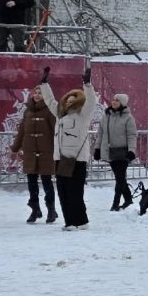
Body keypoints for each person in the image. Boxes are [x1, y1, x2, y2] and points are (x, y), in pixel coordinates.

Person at [40, 68, 101, 230]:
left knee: (75, 193)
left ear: (78, 102)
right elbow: (50, 101)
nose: (69, 102)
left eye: (73, 100)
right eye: (67, 100)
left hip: (77, 160)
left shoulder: (83, 116)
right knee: (63, 192)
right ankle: (73, 222)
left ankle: (78, 222)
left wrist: (87, 85)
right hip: (61, 160)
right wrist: (44, 84)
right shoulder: (60, 114)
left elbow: (91, 102)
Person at [18, 79, 58, 224]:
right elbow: (22, 130)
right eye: (35, 92)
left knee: (47, 182)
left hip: (46, 152)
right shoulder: (28, 110)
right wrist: (17, 146)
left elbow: (55, 131)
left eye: (40, 93)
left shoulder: (50, 110)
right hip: (30, 151)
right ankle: (35, 209)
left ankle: (51, 209)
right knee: (31, 182)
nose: (37, 95)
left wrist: (58, 148)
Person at [100, 91, 139, 210]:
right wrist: (97, 148)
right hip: (111, 151)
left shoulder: (128, 118)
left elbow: (132, 135)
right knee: (120, 178)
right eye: (113, 99)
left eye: (117, 100)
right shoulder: (107, 116)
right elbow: (101, 133)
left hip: (123, 152)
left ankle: (115, 204)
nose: (114, 102)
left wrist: (131, 150)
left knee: (120, 178)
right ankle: (128, 199)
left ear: (122, 103)